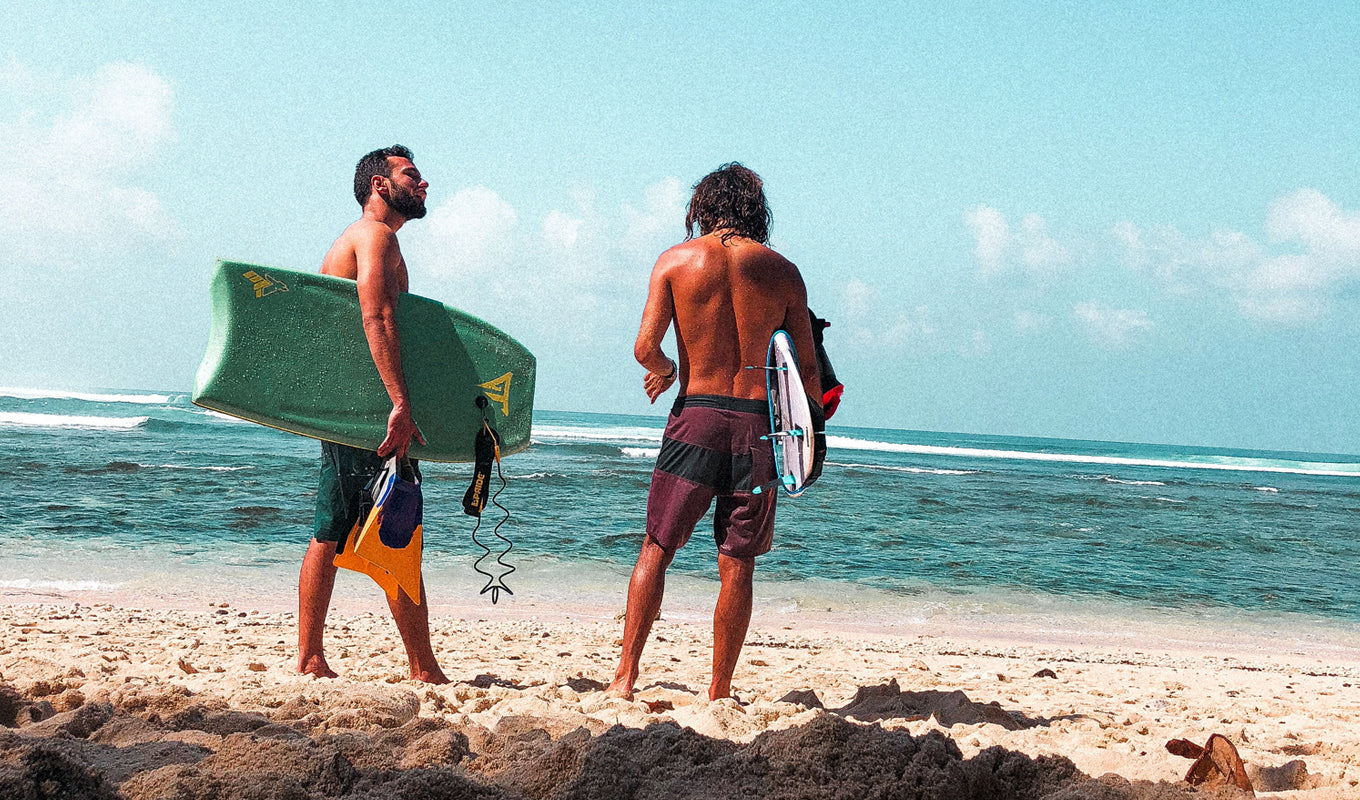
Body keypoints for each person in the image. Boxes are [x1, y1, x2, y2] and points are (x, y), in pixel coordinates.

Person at [607, 163, 823, 701]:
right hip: (758, 429)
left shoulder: (676, 262)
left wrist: (667, 369)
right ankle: (719, 690)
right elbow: (809, 371)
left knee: (656, 547)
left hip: (695, 416)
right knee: (738, 563)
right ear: (756, 209)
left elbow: (644, 348)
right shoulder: (784, 272)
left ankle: (625, 677)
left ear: (703, 204)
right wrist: (808, 436)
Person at [296, 144, 448, 683]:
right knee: (387, 524)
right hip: (370, 412)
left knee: (345, 526)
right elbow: (377, 318)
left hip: (356, 409)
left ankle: (317, 656)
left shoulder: (369, 239)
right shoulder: (374, 236)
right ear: (380, 185)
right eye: (412, 175)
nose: (423, 184)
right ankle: (418, 665)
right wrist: (402, 405)